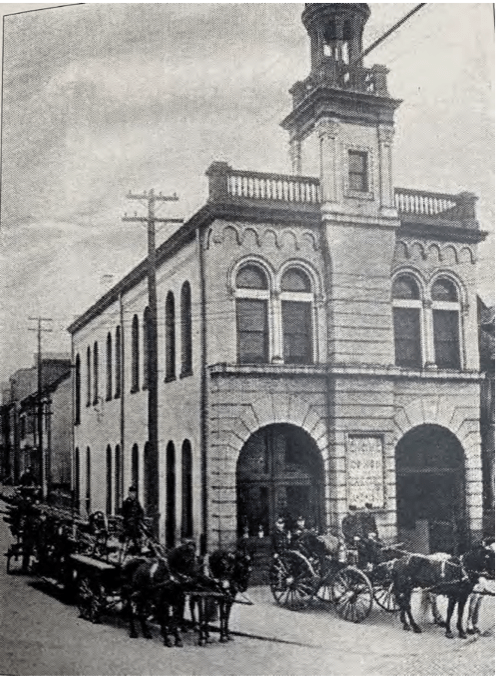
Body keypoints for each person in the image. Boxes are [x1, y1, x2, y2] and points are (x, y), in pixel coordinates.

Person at [120, 485, 144, 552]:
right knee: (133, 529)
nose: (133, 495)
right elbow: (124, 513)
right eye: (132, 493)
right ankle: (137, 546)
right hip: (128, 521)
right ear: (129, 493)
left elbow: (141, 511)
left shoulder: (136, 502)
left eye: (134, 493)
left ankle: (141, 545)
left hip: (136, 521)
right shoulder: (126, 502)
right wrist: (129, 518)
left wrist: (140, 517)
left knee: (143, 529)